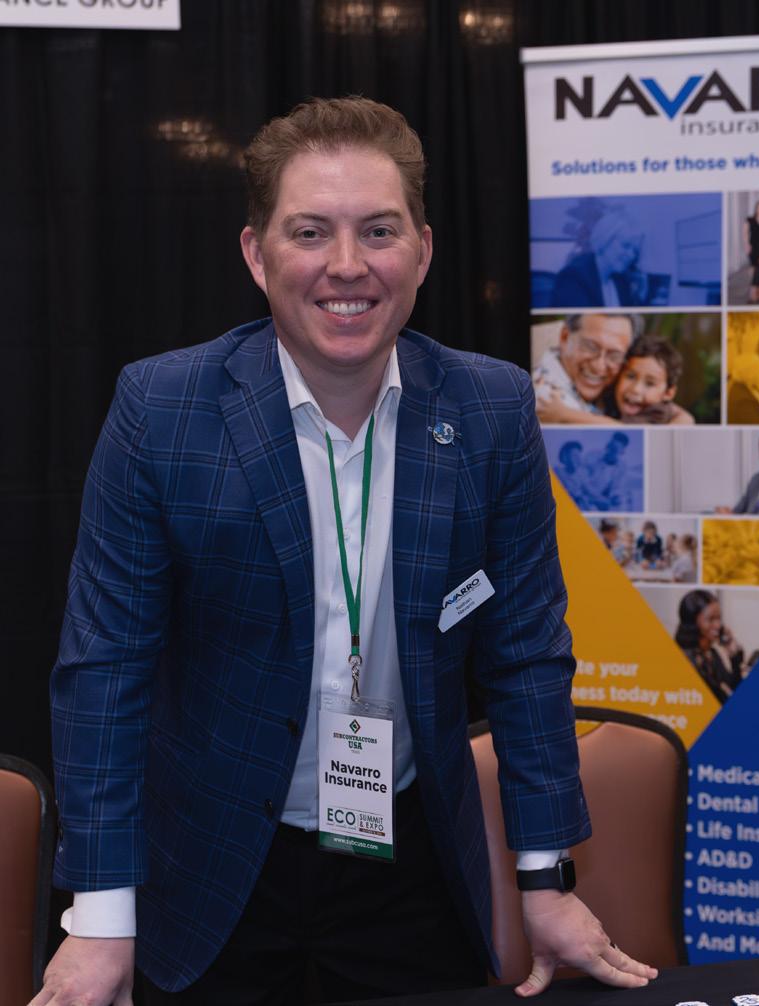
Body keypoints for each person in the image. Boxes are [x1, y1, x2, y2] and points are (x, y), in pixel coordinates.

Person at [41, 97, 656, 1006]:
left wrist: (545, 878)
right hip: (207, 875)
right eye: (309, 232)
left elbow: (526, 654)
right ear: (257, 255)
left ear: (423, 251)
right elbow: (105, 670)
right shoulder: (161, 410)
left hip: (411, 872)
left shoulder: (491, 411)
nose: (346, 265)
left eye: (378, 230)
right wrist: (98, 918)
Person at [532, 312, 639, 422]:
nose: (599, 366)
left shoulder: (614, 393)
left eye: (614, 356)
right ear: (565, 337)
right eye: (590, 347)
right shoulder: (546, 402)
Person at [550, 210, 647, 308]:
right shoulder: (573, 277)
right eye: (625, 245)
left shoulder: (621, 281)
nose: (631, 255)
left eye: (635, 251)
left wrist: (640, 294)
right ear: (605, 239)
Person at [605, 333, 693, 425]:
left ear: (668, 393)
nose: (635, 389)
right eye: (631, 376)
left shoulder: (657, 415)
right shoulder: (611, 397)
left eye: (649, 383)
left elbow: (620, 428)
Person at [674, 590, 744, 704]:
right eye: (711, 619)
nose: (718, 625)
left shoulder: (711, 653)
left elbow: (733, 688)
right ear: (693, 622)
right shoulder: (685, 658)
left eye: (719, 618)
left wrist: (734, 656)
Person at [583, 431, 632, 511]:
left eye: (615, 450)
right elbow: (582, 479)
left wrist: (615, 497)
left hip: (603, 499)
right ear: (607, 445)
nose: (610, 451)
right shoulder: (592, 456)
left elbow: (617, 488)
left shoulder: (622, 467)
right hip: (585, 496)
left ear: (622, 451)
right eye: (610, 446)